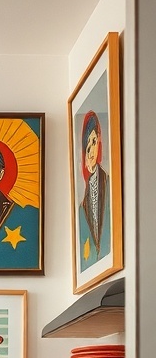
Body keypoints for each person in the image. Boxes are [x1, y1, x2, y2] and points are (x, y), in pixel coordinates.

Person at [78, 111, 111, 264]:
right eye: (87, 145)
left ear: (99, 144)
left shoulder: (109, 184)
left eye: (94, 142)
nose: (91, 151)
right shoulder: (82, 205)